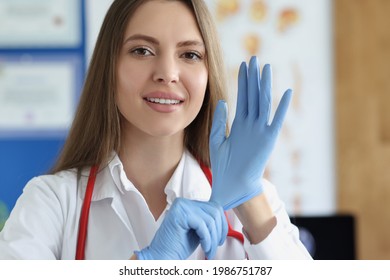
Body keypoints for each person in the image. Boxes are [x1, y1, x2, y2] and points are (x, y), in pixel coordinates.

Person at [0, 0, 312, 260]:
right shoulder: (52, 202)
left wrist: (250, 201)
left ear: (208, 73)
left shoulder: (256, 201)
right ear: (109, 67)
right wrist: (149, 265)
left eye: (189, 54)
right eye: (142, 51)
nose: (167, 73)